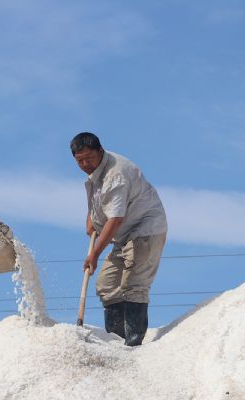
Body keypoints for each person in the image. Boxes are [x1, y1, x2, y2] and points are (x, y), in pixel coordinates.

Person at [70, 132, 167, 346]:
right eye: (79, 161)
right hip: (123, 235)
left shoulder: (116, 175)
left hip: (144, 230)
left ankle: (133, 343)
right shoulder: (96, 170)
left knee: (134, 284)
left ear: (100, 152)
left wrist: (94, 253)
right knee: (107, 285)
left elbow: (115, 220)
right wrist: (91, 217)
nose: (85, 164)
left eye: (89, 158)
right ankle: (116, 340)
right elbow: (98, 199)